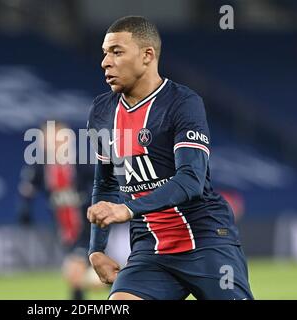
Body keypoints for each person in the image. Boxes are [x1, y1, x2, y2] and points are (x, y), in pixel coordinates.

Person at [86, 16, 254, 300]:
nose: (105, 61)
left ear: (147, 55)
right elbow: (105, 185)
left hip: (206, 241)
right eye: (105, 53)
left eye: (116, 51)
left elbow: (191, 181)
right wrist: (96, 250)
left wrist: (126, 210)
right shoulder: (101, 112)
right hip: (149, 250)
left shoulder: (183, 103)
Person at [17, 121, 107, 300]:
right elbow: (28, 190)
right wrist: (25, 211)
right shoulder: (40, 168)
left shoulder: (82, 163)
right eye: (49, 140)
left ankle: (125, 284)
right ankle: (123, 284)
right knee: (82, 279)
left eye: (58, 139)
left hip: (88, 229)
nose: (54, 144)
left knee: (74, 273)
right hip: (65, 232)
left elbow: (104, 184)